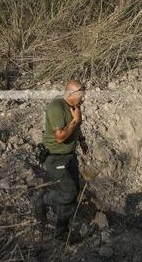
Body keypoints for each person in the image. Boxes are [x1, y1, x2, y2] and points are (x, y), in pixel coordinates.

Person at [39, 80, 88, 239]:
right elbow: (60, 137)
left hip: (70, 155)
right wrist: (74, 120)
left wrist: (81, 140)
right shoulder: (56, 108)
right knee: (69, 192)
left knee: (74, 190)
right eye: (81, 95)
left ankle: (62, 230)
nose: (83, 98)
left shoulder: (75, 106)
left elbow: (77, 126)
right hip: (55, 158)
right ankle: (42, 200)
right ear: (71, 94)